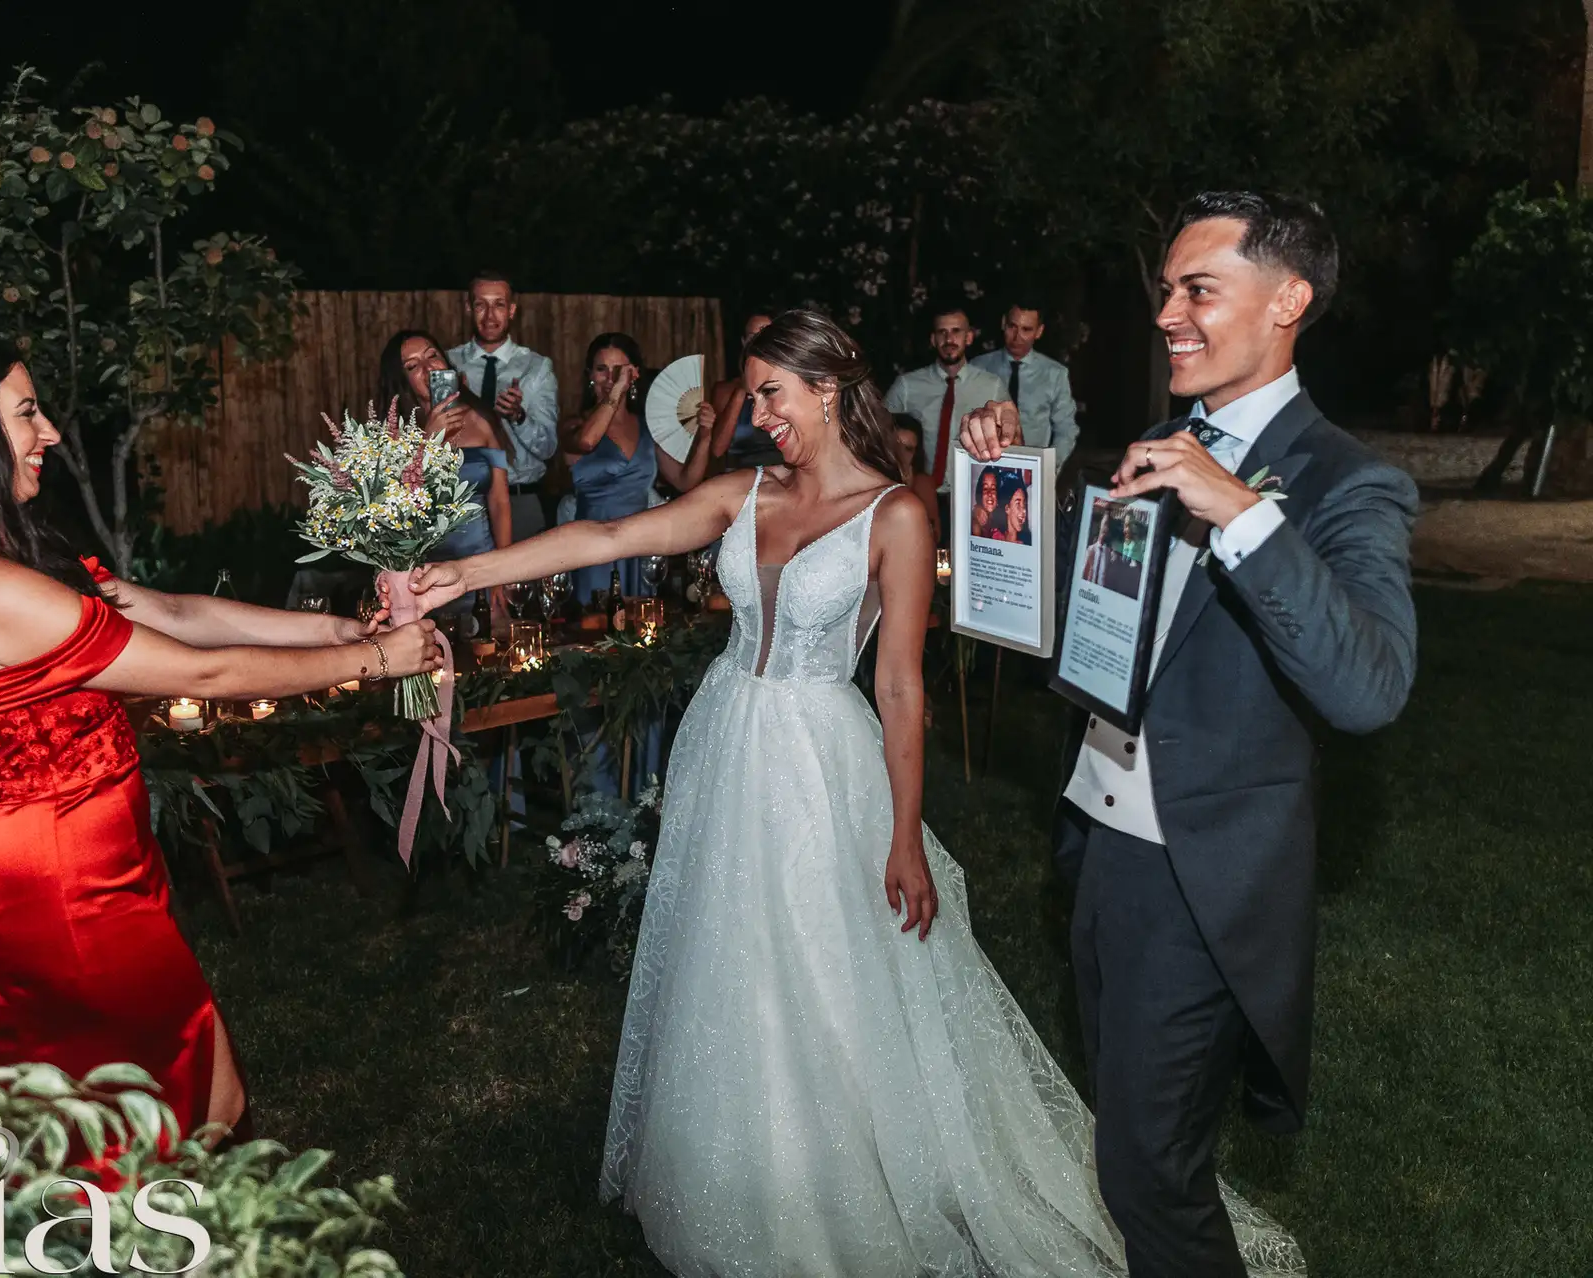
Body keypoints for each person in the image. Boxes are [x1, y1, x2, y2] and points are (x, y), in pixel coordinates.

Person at [404, 309, 1302, 1278]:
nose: (757, 414)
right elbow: (610, 533)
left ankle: (841, 1171)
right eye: (754, 397)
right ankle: (731, 1168)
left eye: (771, 395)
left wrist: (906, 835)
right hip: (728, 738)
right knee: (728, 952)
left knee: (826, 962)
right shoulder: (744, 491)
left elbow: (902, 688)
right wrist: (462, 574)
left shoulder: (897, 515)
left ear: (827, 390)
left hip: (822, 756)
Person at [0, 329, 445, 1157]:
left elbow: (172, 611)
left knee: (134, 1098)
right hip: (68, 882)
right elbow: (201, 671)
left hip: (86, 858)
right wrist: (375, 661)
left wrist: (339, 628)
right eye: (27, 413)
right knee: (180, 1095)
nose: (51, 431)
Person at [965, 190, 1415, 1277]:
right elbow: (1091, 626)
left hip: (1199, 877)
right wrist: (1012, 480)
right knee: (1132, 1146)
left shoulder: (1350, 482)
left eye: (1197, 289)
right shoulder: (1161, 442)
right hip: (1098, 844)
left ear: (1288, 301)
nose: (1167, 314)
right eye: (1167, 290)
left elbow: (1369, 688)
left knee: (1150, 1177)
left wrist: (1243, 513)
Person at [561, 332, 715, 604]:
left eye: (619, 370)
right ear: (590, 375)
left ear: (634, 375)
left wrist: (705, 437)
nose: (611, 378)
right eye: (602, 369)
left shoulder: (647, 427)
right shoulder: (574, 425)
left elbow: (686, 482)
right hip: (592, 546)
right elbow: (587, 442)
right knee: (593, 624)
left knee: (640, 624)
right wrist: (617, 390)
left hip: (640, 547)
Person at [381, 328, 513, 616]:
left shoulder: (481, 419)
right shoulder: (394, 436)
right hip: (423, 576)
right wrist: (428, 441)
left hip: (482, 567)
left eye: (433, 356)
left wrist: (503, 573)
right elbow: (393, 510)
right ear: (402, 379)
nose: (428, 368)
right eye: (413, 366)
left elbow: (500, 502)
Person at [446, 268, 559, 540]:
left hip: (520, 501)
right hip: (460, 504)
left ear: (511, 310)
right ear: (468, 308)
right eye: (480, 305)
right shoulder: (447, 364)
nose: (489, 316)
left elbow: (548, 448)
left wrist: (519, 417)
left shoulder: (537, 367)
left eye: (498, 305)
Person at [884, 305, 1009, 489]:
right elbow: (877, 435)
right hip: (919, 493)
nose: (949, 339)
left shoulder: (993, 386)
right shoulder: (906, 386)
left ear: (969, 337)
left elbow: (1009, 442)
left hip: (973, 491)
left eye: (956, 331)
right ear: (933, 340)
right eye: (942, 332)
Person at [972, 301, 1080, 467]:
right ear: (1003, 323)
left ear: (1039, 331)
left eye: (1026, 329)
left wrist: (1048, 467)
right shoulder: (978, 367)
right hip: (984, 464)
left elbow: (1066, 430)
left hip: (1034, 467)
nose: (1017, 337)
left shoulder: (1055, 374)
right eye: (1012, 327)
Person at [700, 309, 783, 471]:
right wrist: (741, 391)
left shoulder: (788, 386)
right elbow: (717, 450)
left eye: (765, 335)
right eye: (753, 337)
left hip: (783, 477)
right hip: (740, 478)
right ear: (744, 342)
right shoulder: (725, 390)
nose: (759, 343)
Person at [890, 412, 941, 545]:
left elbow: (933, 536)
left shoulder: (922, 483)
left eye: (908, 449)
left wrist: (908, 489)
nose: (901, 454)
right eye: (896, 446)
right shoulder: (869, 478)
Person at [989, 473, 1032, 546]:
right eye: (1018, 503)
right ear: (1007, 508)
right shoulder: (994, 537)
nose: (1024, 511)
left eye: (1024, 505)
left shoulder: (1026, 544)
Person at [971, 465, 1003, 537]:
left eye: (993, 489)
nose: (989, 493)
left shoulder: (1002, 519)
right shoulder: (976, 527)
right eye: (985, 488)